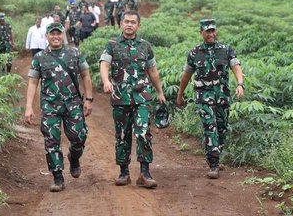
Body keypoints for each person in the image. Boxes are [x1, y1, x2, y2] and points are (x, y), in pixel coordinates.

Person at [24, 22, 94, 192]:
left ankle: (74, 158)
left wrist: (89, 99)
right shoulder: (39, 57)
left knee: (79, 137)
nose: (55, 37)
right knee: (51, 141)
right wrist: (29, 107)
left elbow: (85, 74)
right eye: (52, 34)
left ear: (63, 35)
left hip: (73, 104)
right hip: (50, 107)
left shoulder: (74, 53)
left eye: (58, 33)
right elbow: (33, 82)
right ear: (46, 36)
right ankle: (58, 177)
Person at [99, 10, 165, 189]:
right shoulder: (112, 45)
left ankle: (145, 173)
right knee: (122, 135)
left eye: (132, 22)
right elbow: (104, 64)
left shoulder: (145, 46)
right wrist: (106, 81)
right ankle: (124, 172)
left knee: (143, 132)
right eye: (126, 21)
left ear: (138, 25)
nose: (129, 24)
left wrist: (160, 92)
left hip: (142, 97)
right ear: (121, 24)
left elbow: (152, 71)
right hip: (120, 97)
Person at [176, 19, 244, 179]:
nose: (211, 34)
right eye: (208, 31)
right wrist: (180, 94)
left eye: (213, 31)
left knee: (222, 126)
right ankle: (213, 164)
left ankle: (216, 155)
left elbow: (236, 66)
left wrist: (240, 84)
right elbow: (187, 75)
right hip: (203, 96)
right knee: (210, 126)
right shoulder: (195, 53)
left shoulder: (226, 50)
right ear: (201, 33)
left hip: (222, 95)